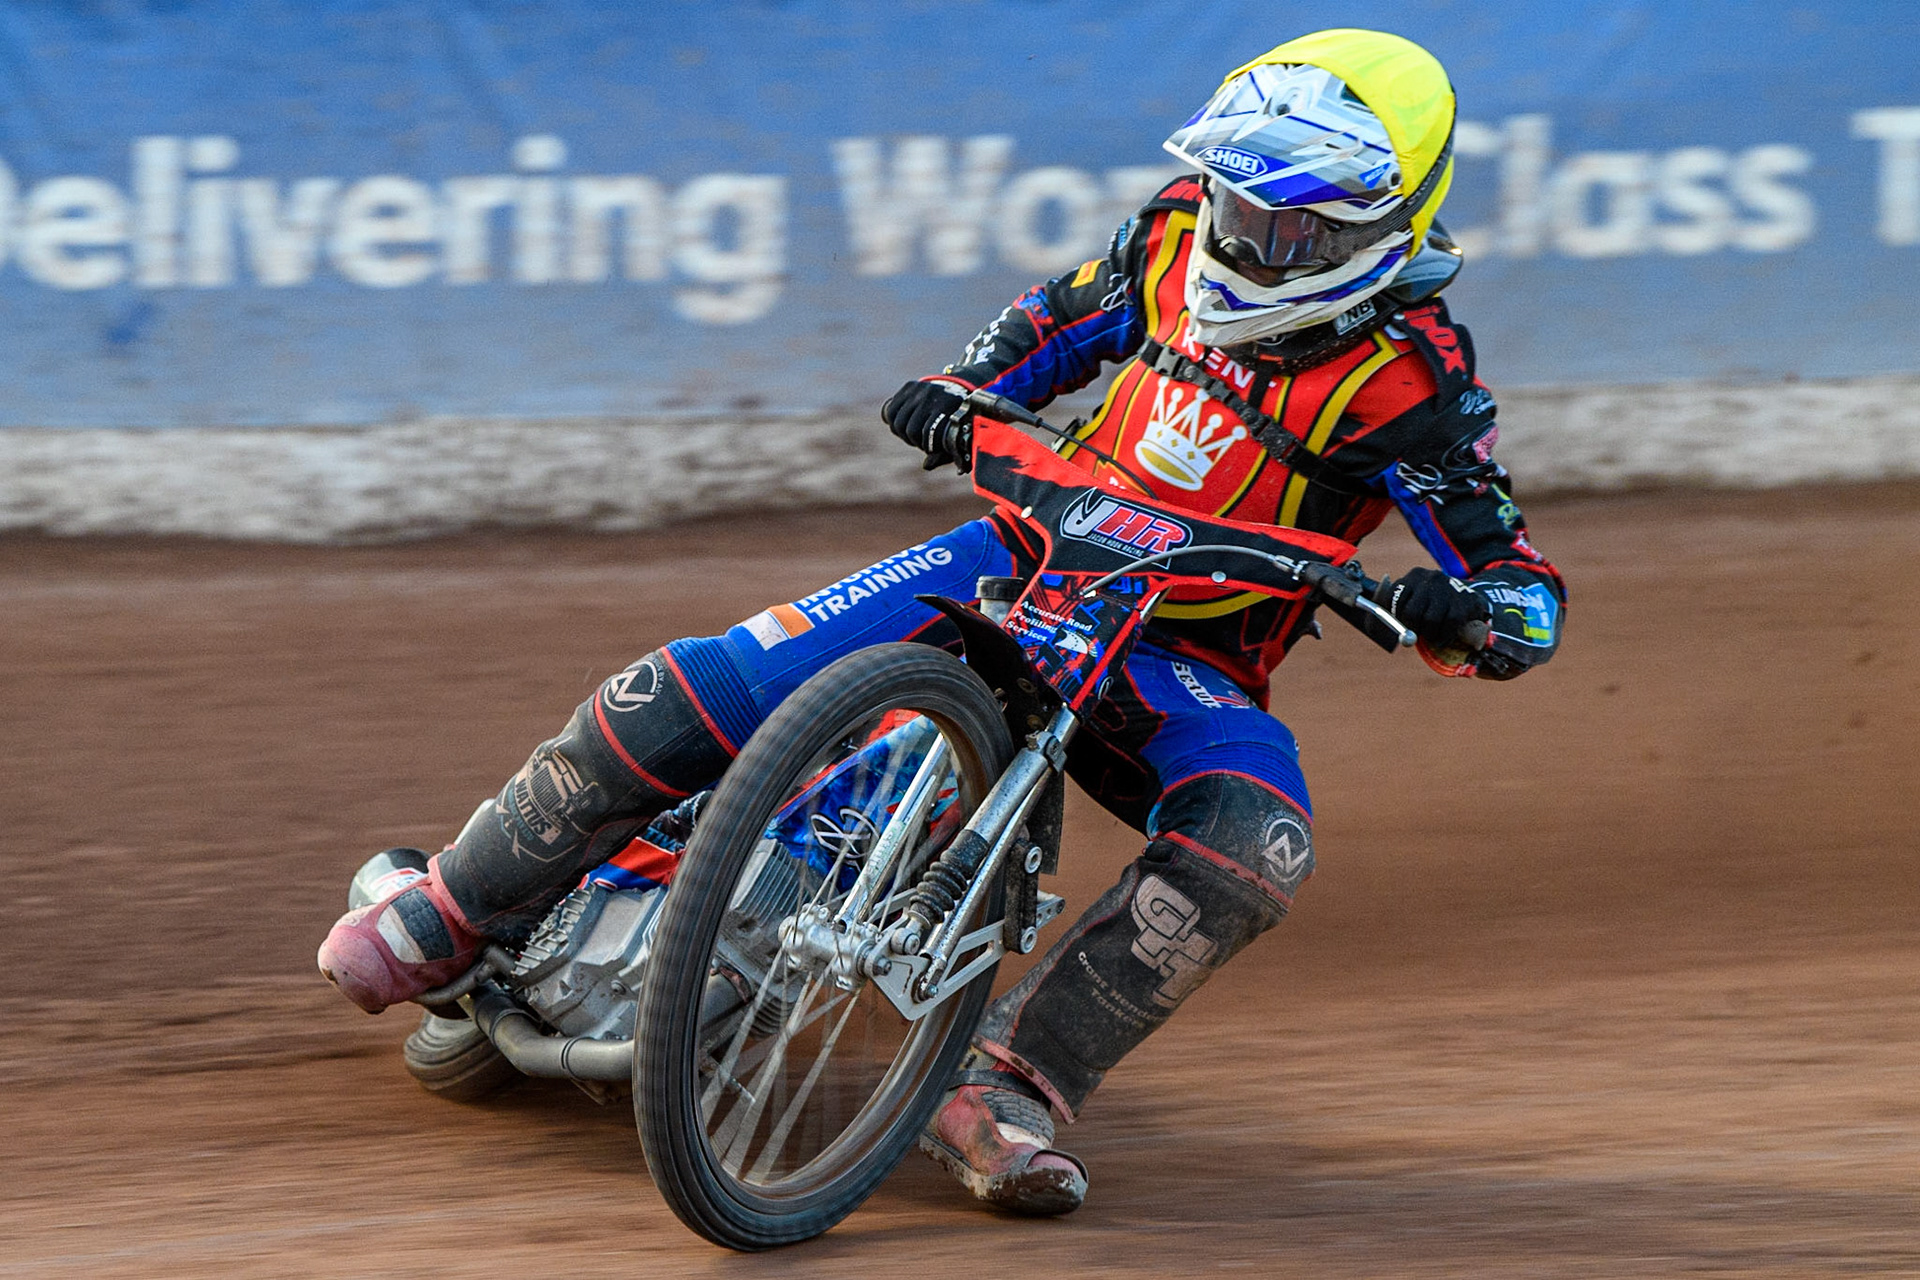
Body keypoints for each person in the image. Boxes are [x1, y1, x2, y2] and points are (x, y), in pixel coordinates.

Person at [319, 28, 1566, 1216]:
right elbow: (1054, 324)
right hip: (1025, 548)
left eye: (1289, 222)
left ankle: (1007, 1083)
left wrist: (1467, 612)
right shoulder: (1177, 237)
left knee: (1258, 841)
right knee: (716, 676)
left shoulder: (1419, 383)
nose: (1247, 236)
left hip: (1179, 648)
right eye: (1239, 201)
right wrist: (966, 386)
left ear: (1377, 228)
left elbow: (1524, 590)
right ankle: (454, 904)